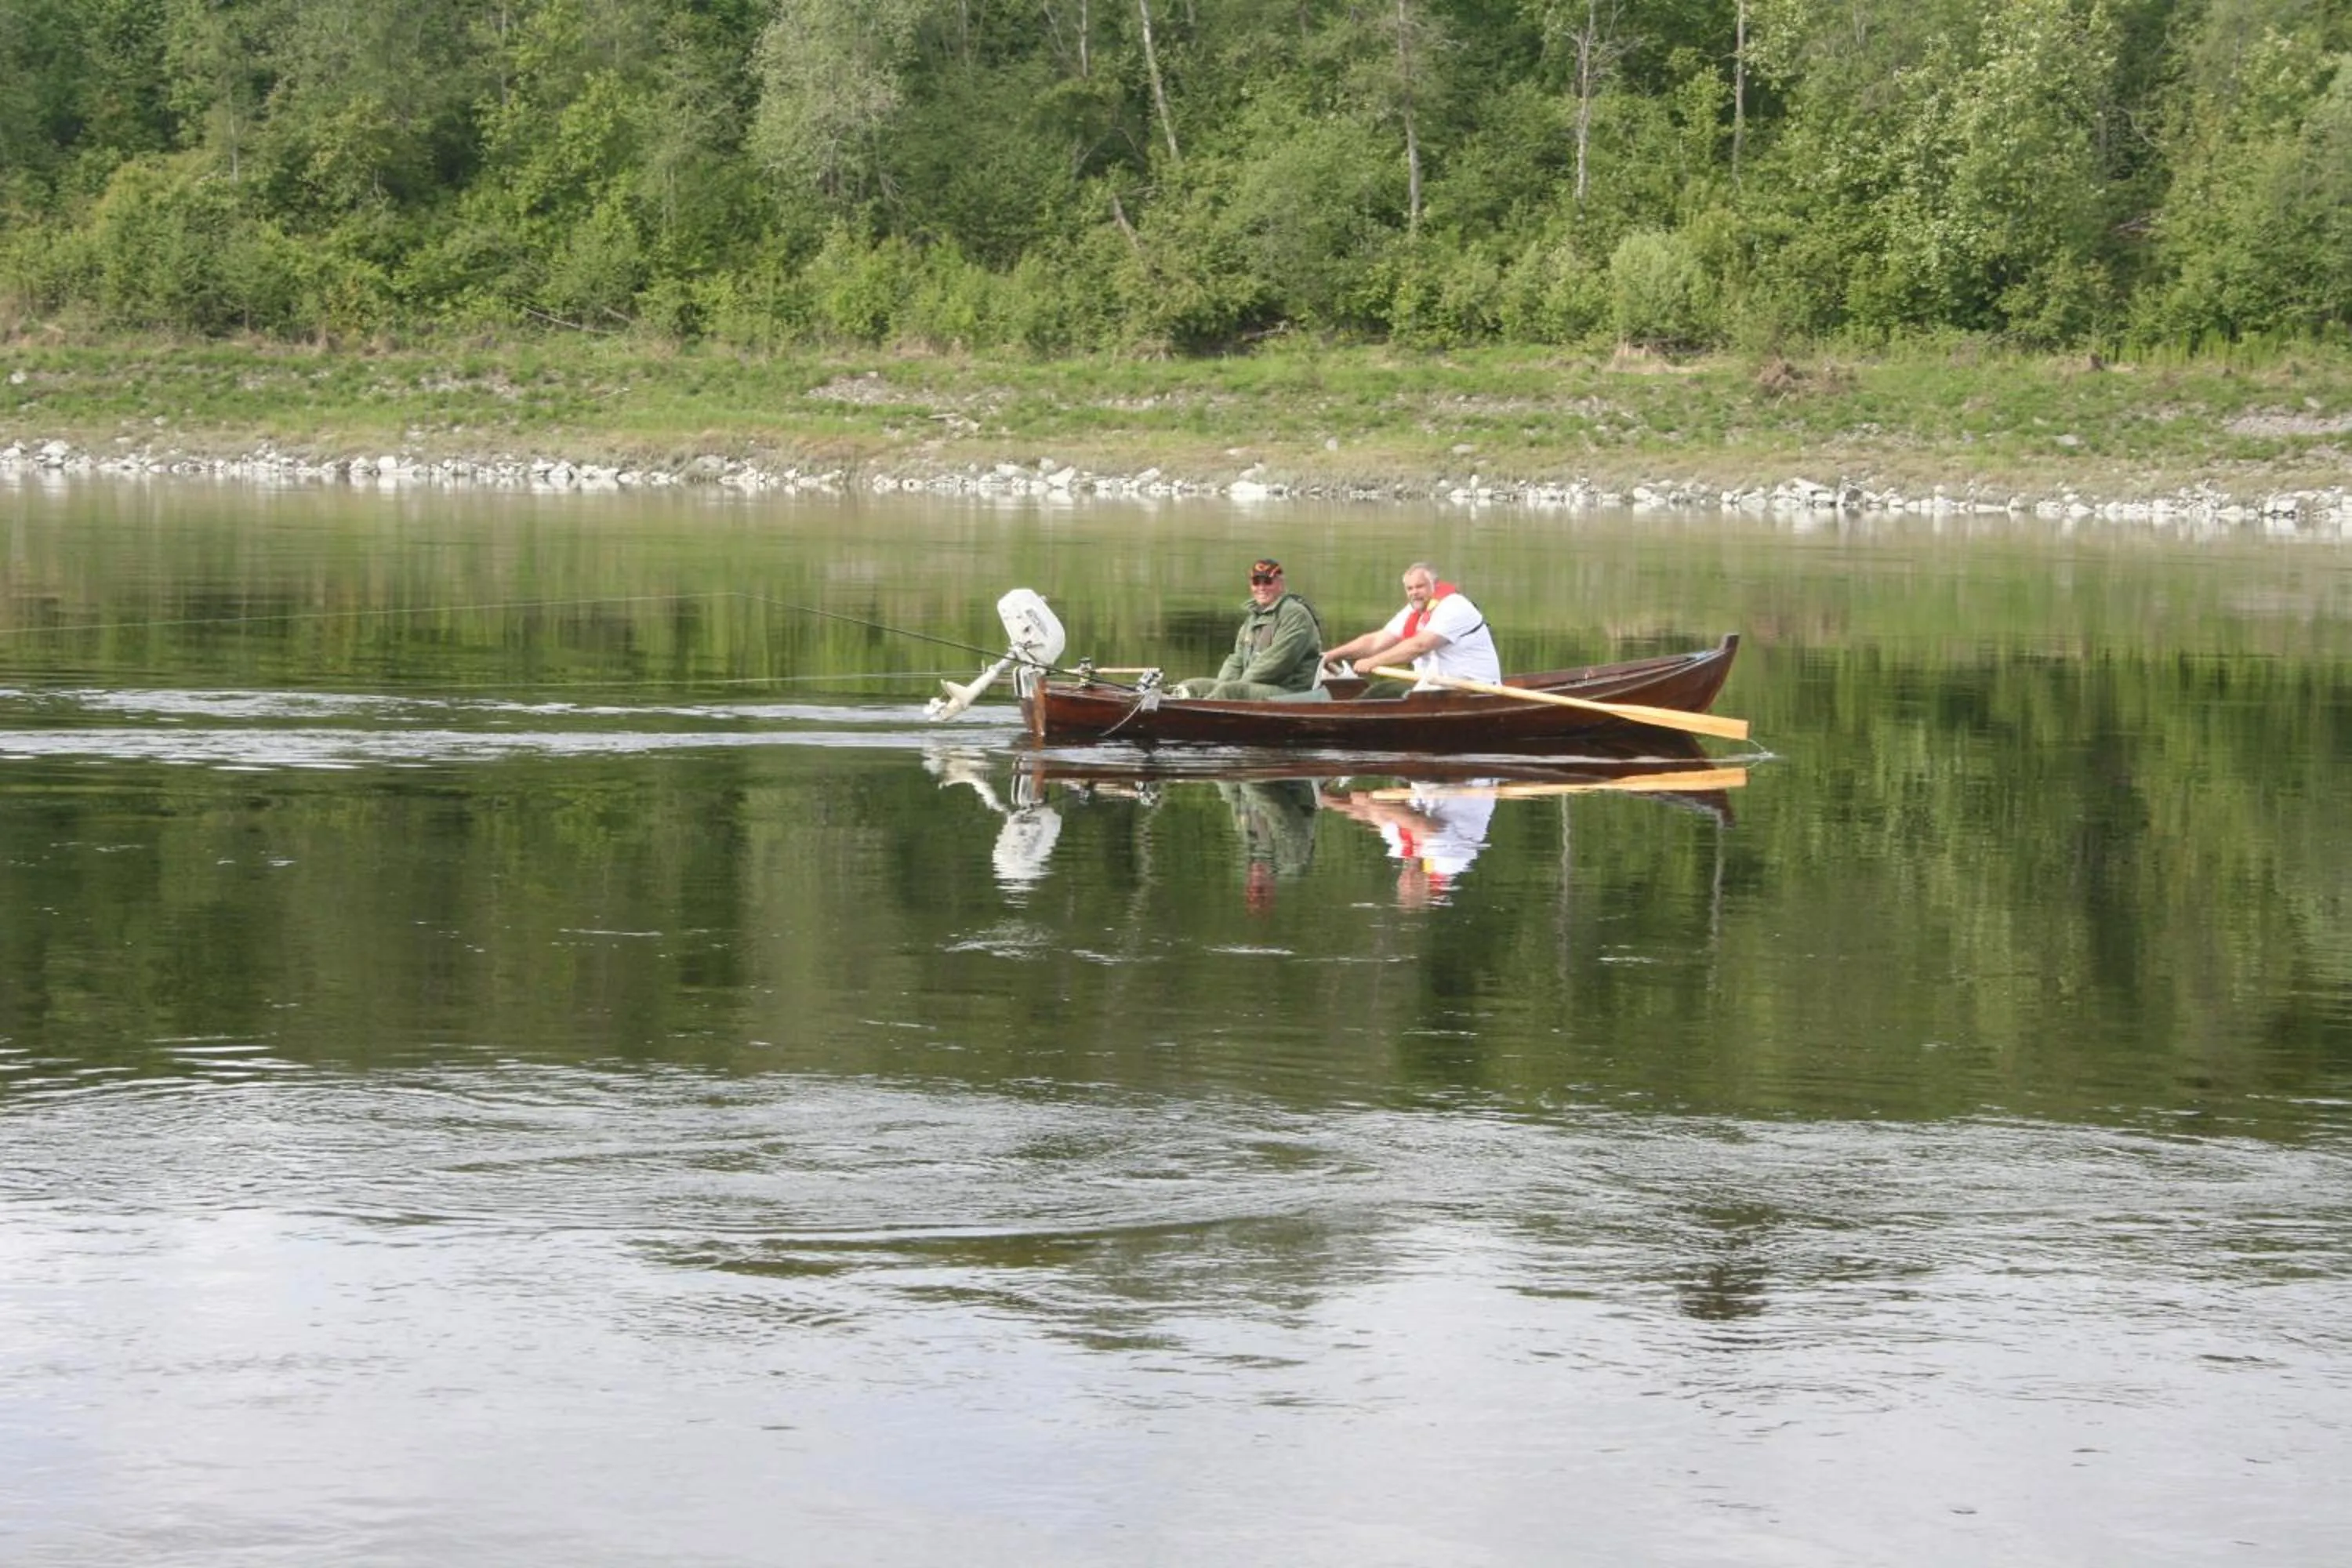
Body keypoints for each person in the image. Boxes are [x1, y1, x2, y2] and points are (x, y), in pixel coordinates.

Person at [1322, 561, 1501, 688]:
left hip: (1474, 689)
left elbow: (1419, 646)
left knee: (1384, 693)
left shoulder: (1454, 606)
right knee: (1382, 692)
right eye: (1410, 588)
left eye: (1420, 586)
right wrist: (1330, 655)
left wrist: (1373, 662)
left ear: (1435, 585)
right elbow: (1376, 641)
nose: (1414, 593)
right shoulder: (1414, 610)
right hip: (1437, 688)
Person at [1173, 557, 1327, 700]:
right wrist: (1221, 683)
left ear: (1281, 584)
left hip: (1292, 691)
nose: (1261, 587)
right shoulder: (1253, 617)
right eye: (1256, 582)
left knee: (1229, 692)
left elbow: (1276, 662)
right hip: (1254, 684)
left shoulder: (1295, 615)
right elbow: (1237, 659)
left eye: (1267, 582)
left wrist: (1234, 685)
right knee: (1191, 686)